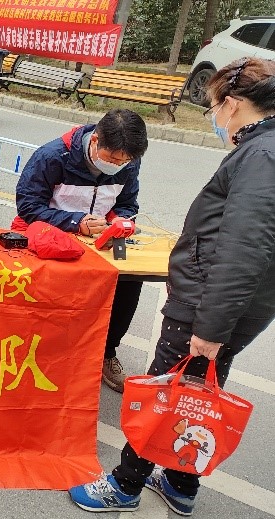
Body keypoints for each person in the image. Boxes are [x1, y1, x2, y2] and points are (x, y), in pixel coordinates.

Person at [69, 57, 275, 515]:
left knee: (167, 392)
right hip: (232, 302)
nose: (216, 118)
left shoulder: (261, 155)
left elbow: (245, 248)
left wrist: (211, 327)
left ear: (233, 104)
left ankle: (125, 484)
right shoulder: (265, 148)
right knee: (197, 392)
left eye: (214, 108)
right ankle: (181, 483)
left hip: (209, 304)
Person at [13, 108, 149, 393]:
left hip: (99, 236)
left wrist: (120, 221)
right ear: (95, 141)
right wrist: (75, 222)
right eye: (113, 159)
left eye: (125, 161)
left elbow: (127, 203)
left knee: (128, 280)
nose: (118, 165)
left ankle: (107, 352)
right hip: (50, 234)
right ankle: (33, 350)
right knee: (46, 286)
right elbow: (28, 207)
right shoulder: (53, 156)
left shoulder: (128, 162)